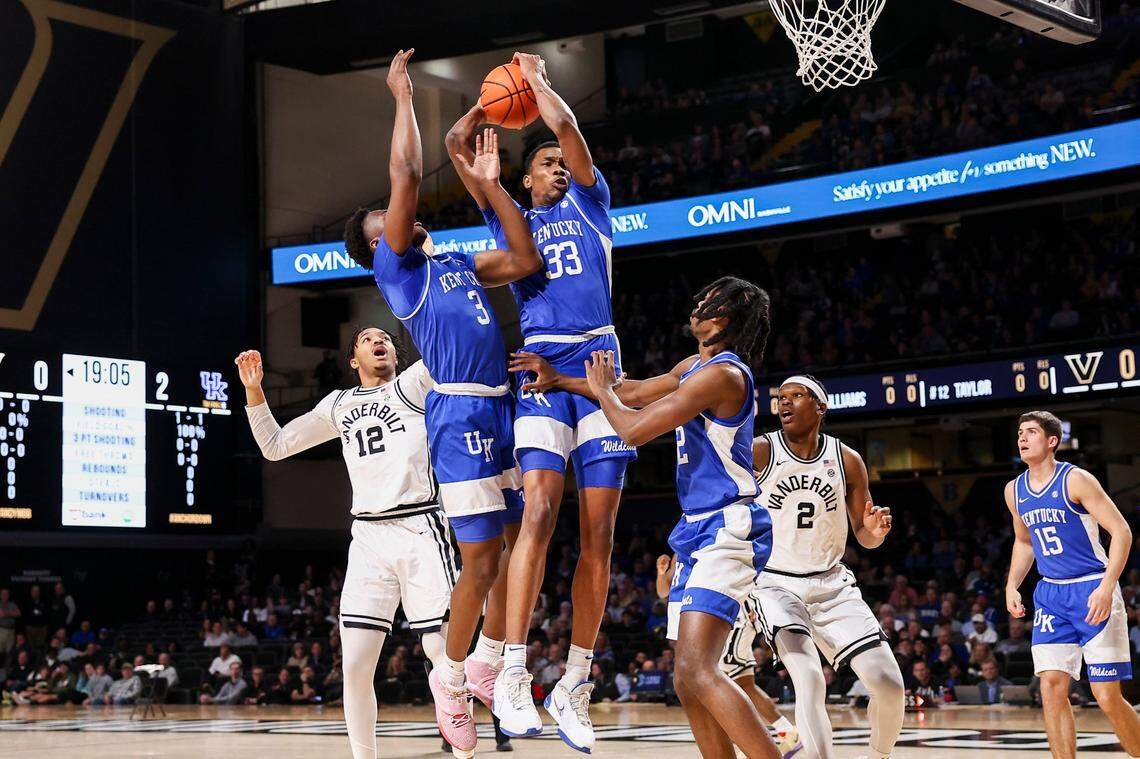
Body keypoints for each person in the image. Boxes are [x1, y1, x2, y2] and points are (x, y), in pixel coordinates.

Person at [340, 49, 541, 758]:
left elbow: (523, 260)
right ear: (377, 248)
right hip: (459, 415)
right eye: (382, 221)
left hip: (503, 406)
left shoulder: (453, 261)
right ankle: (450, 680)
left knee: (525, 550)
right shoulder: (400, 270)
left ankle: (484, 662)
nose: (396, 215)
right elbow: (402, 175)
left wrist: (490, 189)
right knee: (483, 561)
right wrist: (402, 96)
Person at [516, 276, 779, 758]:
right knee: (686, 679)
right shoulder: (694, 366)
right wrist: (562, 380)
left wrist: (604, 393)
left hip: (729, 524)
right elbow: (632, 392)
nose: (695, 304)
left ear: (720, 319)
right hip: (697, 528)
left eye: (705, 301)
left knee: (700, 671)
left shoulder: (724, 374)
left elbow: (633, 428)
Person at [464, 52, 637, 750]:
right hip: (540, 368)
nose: (558, 168)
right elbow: (476, 175)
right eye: (544, 164)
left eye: (560, 162)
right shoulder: (512, 223)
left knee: (599, 536)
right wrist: (486, 164)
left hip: (599, 367)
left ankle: (576, 682)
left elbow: (569, 130)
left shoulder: (591, 203)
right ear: (523, 178)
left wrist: (536, 85)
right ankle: (510, 667)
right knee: (536, 509)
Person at [238, 322, 460, 759]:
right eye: (367, 339)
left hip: (421, 527)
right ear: (353, 361)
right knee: (356, 668)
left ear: (396, 357)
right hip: (368, 539)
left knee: (443, 657)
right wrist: (254, 390)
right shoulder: (338, 404)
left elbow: (449, 343)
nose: (379, 342)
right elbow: (275, 445)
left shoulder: (416, 382)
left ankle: (461, 750)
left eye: (386, 340)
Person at [751, 375, 904, 759]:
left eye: (795, 396)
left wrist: (874, 532)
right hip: (776, 583)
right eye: (780, 398)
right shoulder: (760, 451)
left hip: (832, 584)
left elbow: (864, 537)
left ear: (820, 407)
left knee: (889, 684)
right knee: (808, 677)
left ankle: (879, 756)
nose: (783, 403)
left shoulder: (846, 459)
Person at [1005, 410, 1140, 759]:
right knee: (1050, 688)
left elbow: (1121, 531)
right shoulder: (1014, 490)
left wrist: (1108, 586)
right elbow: (1024, 542)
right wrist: (1012, 584)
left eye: (1031, 432)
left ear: (1052, 441)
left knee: (1107, 696)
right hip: (1051, 593)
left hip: (1091, 587)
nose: (1022, 438)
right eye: (1020, 432)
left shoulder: (1076, 480)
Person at [656, 554, 802, 758]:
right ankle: (782, 732)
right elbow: (663, 591)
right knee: (741, 683)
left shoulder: (711, 537)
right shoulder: (680, 550)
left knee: (711, 679)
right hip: (708, 618)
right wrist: (661, 574)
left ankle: (761, 738)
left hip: (730, 615)